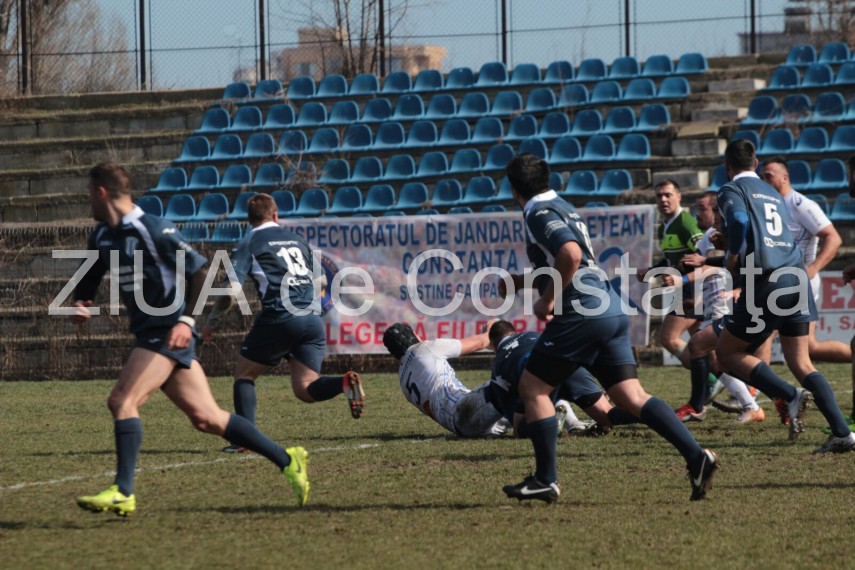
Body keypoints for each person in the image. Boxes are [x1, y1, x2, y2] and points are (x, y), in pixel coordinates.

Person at [70, 163, 309, 516]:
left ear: (102, 192)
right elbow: (92, 272)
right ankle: (288, 459)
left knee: (122, 400)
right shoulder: (103, 235)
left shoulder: (153, 228)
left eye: (89, 192)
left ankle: (123, 491)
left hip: (165, 331)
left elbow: (198, 274)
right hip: (154, 333)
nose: (87, 200)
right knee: (208, 418)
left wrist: (186, 320)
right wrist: (81, 300)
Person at [500, 154, 718, 504]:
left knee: (532, 387)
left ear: (513, 190)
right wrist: (521, 282)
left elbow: (570, 256)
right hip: (608, 306)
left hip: (582, 312)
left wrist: (546, 301)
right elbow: (576, 261)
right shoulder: (562, 205)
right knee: (630, 397)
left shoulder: (537, 213)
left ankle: (545, 479)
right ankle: (697, 456)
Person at [714, 140, 855, 452]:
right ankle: (842, 433)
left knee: (726, 352)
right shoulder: (774, 194)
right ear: (756, 162)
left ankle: (787, 395)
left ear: (727, 166)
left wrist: (732, 255)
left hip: (766, 278)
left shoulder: (730, 190)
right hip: (796, 276)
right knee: (802, 361)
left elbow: (738, 221)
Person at [203, 194, 365, 453]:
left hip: (280, 316)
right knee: (305, 388)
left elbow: (232, 292)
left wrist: (211, 322)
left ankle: (245, 440)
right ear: (276, 215)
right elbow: (322, 280)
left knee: (245, 374)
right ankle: (343, 383)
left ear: (249, 219)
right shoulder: (296, 239)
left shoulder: (249, 242)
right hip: (311, 319)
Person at [761, 156, 853, 429]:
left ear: (785, 178)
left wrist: (812, 268)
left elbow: (832, 236)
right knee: (803, 346)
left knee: (771, 335)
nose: (764, 181)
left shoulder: (799, 204)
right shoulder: (771, 205)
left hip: (797, 283)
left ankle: (758, 395)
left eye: (769, 176)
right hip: (782, 282)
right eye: (761, 176)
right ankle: (761, 394)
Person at [678, 191, 764, 423]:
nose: (702, 213)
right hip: (711, 301)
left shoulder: (723, 234)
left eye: (706, 208)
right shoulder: (711, 234)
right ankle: (764, 400)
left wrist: (683, 281)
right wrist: (695, 298)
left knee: (705, 351)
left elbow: (714, 267)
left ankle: (700, 405)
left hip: (722, 302)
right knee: (717, 359)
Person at [486, 320, 635, 436]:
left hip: (536, 376)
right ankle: (646, 413)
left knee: (520, 428)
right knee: (607, 415)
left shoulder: (498, 362)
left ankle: (552, 420)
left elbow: (510, 410)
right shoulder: (532, 334)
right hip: (567, 363)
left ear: (492, 344)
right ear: (514, 331)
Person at [382, 322, 512, 437]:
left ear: (394, 354)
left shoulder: (403, 380)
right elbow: (481, 342)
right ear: (415, 335)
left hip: (464, 429)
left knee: (525, 411)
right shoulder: (425, 348)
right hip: (465, 410)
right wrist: (493, 326)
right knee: (516, 377)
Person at [636, 180, 704, 371]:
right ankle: (731, 385)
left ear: (679, 197)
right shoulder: (664, 226)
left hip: (692, 289)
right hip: (683, 289)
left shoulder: (686, 224)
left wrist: (682, 277)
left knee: (669, 338)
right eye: (659, 196)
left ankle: (710, 381)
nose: (663, 199)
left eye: (668, 195)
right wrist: (651, 272)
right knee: (701, 346)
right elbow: (670, 261)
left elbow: (702, 258)